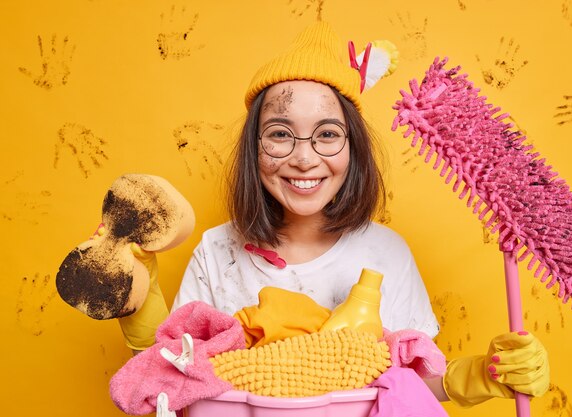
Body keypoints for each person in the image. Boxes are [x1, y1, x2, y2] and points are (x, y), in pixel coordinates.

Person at [119, 20, 549, 408]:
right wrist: (136, 305)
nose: (304, 158)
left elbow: (407, 384)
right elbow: (173, 376)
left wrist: (472, 375)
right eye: (280, 134)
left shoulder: (385, 254)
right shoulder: (217, 251)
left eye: (327, 134)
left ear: (354, 148)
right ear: (254, 148)